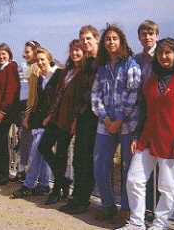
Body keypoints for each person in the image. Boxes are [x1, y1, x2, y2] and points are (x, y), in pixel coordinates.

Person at [117, 38, 174, 230]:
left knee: (166, 186)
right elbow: (143, 113)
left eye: (168, 53)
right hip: (147, 139)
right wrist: (136, 136)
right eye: (160, 53)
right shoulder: (151, 82)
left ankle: (159, 224)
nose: (163, 56)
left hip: (170, 141)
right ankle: (136, 222)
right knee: (134, 179)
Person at [91, 24, 141, 222]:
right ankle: (108, 205)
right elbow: (95, 94)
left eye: (114, 38)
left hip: (127, 123)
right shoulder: (102, 68)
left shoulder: (131, 64)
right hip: (105, 123)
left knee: (128, 166)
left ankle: (127, 209)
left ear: (121, 41)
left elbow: (133, 94)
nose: (111, 42)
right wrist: (105, 117)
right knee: (100, 164)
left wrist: (119, 119)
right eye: (107, 39)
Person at [38, 39, 86, 205]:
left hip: (69, 119)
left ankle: (57, 190)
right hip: (57, 117)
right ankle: (64, 180)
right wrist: (50, 115)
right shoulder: (66, 71)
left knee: (61, 154)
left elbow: (82, 100)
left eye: (78, 50)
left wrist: (75, 121)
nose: (75, 53)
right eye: (72, 50)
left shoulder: (85, 72)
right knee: (43, 146)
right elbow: (58, 95)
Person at [59, 25, 99, 214]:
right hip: (83, 116)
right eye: (82, 39)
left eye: (88, 38)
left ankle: (83, 200)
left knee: (87, 160)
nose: (85, 42)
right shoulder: (86, 63)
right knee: (78, 160)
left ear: (96, 39)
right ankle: (78, 198)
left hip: (97, 118)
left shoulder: (101, 61)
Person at [11, 47, 60, 198]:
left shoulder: (57, 75)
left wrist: (51, 117)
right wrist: (28, 116)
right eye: (38, 60)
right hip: (38, 120)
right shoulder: (38, 77)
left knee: (35, 151)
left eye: (42, 59)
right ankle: (44, 185)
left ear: (49, 59)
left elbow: (58, 100)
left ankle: (28, 184)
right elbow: (34, 100)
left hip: (51, 121)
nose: (40, 62)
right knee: (42, 154)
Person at [134, 20, 160, 220]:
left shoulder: (164, 55)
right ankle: (145, 210)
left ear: (156, 36)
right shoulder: (137, 59)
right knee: (144, 168)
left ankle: (159, 214)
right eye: (144, 34)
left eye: (151, 33)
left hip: (160, 116)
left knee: (162, 171)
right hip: (143, 115)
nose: (147, 37)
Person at [0, 43, 20, 185]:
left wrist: (2, 112)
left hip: (4, 113)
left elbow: (11, 91)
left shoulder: (11, 67)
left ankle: (4, 174)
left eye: (4, 54)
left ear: (9, 54)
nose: (1, 57)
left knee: (2, 143)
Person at [10, 40, 41, 182]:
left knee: (32, 142)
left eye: (28, 52)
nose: (24, 54)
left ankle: (31, 172)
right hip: (22, 107)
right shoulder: (22, 67)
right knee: (24, 140)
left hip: (34, 107)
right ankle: (22, 170)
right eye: (25, 52)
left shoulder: (38, 67)